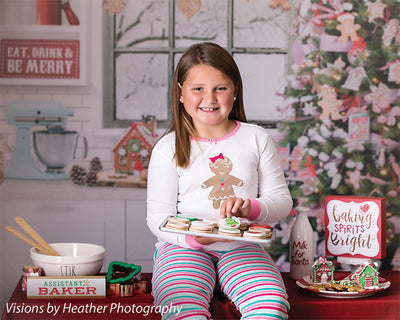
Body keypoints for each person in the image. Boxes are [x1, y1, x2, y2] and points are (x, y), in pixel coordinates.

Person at [147, 42, 293, 320]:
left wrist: (251, 208)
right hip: (182, 248)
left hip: (242, 247)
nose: (209, 98)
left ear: (235, 91)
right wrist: (193, 239)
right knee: (181, 308)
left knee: (271, 306)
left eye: (220, 88)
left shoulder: (256, 138)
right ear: (180, 92)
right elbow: (156, 218)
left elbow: (282, 202)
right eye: (198, 88)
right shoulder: (168, 147)